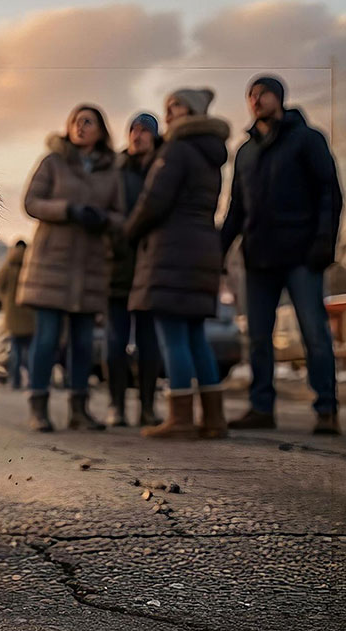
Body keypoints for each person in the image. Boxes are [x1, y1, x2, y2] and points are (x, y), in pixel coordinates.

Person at [221, 75, 343, 435]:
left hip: (302, 255)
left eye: (265, 94)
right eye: (252, 95)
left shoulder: (307, 140)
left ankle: (326, 409)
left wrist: (324, 243)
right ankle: (261, 407)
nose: (257, 100)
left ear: (280, 98)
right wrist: (217, 251)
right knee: (258, 336)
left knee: (313, 333)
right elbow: (236, 210)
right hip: (258, 258)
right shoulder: (245, 152)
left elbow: (329, 194)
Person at [124, 88, 229, 439]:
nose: (167, 114)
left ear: (193, 112)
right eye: (166, 106)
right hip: (201, 246)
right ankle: (214, 419)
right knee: (196, 336)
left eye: (176, 106)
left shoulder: (177, 149)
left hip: (172, 249)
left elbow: (154, 200)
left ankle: (181, 418)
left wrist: (129, 230)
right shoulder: (210, 154)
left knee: (172, 336)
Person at [18, 104, 123, 432]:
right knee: (47, 338)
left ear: (101, 130)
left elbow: (122, 215)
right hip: (52, 264)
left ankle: (80, 409)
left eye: (88, 122)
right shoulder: (53, 161)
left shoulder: (112, 171)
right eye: (75, 122)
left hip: (90, 265)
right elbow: (31, 203)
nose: (80, 127)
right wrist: (70, 210)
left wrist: (103, 218)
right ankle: (39, 407)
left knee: (82, 341)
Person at [108, 112, 164, 428]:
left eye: (144, 130)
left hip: (152, 268)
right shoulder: (115, 170)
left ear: (155, 136)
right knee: (116, 343)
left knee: (149, 343)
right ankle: (116, 405)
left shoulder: (162, 168)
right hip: (117, 266)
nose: (137, 135)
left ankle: (147, 406)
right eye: (133, 129)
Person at [0, 240, 35, 389]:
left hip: (12, 315)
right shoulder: (31, 263)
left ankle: (16, 381)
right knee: (30, 351)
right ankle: (32, 381)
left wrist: (4, 300)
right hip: (30, 315)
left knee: (15, 350)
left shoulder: (7, 266)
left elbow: (0, 285)